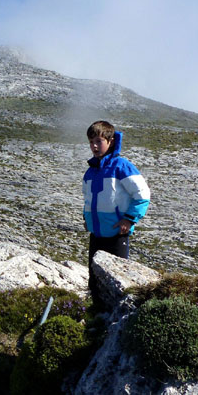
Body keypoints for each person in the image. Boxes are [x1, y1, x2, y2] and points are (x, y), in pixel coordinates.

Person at [82, 120, 150, 299]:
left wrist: (129, 219)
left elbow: (142, 194)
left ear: (110, 141)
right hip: (96, 234)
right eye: (91, 142)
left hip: (117, 235)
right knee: (94, 281)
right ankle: (94, 312)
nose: (94, 146)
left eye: (99, 141)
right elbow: (88, 199)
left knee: (116, 282)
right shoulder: (91, 171)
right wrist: (86, 219)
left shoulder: (121, 166)